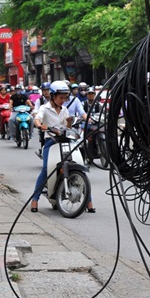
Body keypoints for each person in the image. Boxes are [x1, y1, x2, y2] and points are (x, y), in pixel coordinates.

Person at [31, 81, 95, 213]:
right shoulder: (44, 108)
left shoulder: (65, 110)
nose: (63, 100)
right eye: (60, 98)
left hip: (66, 141)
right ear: (53, 96)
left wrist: (70, 122)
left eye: (65, 98)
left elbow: (67, 128)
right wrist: (40, 125)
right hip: (51, 142)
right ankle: (35, 200)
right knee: (46, 169)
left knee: (78, 165)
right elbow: (37, 118)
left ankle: (88, 200)